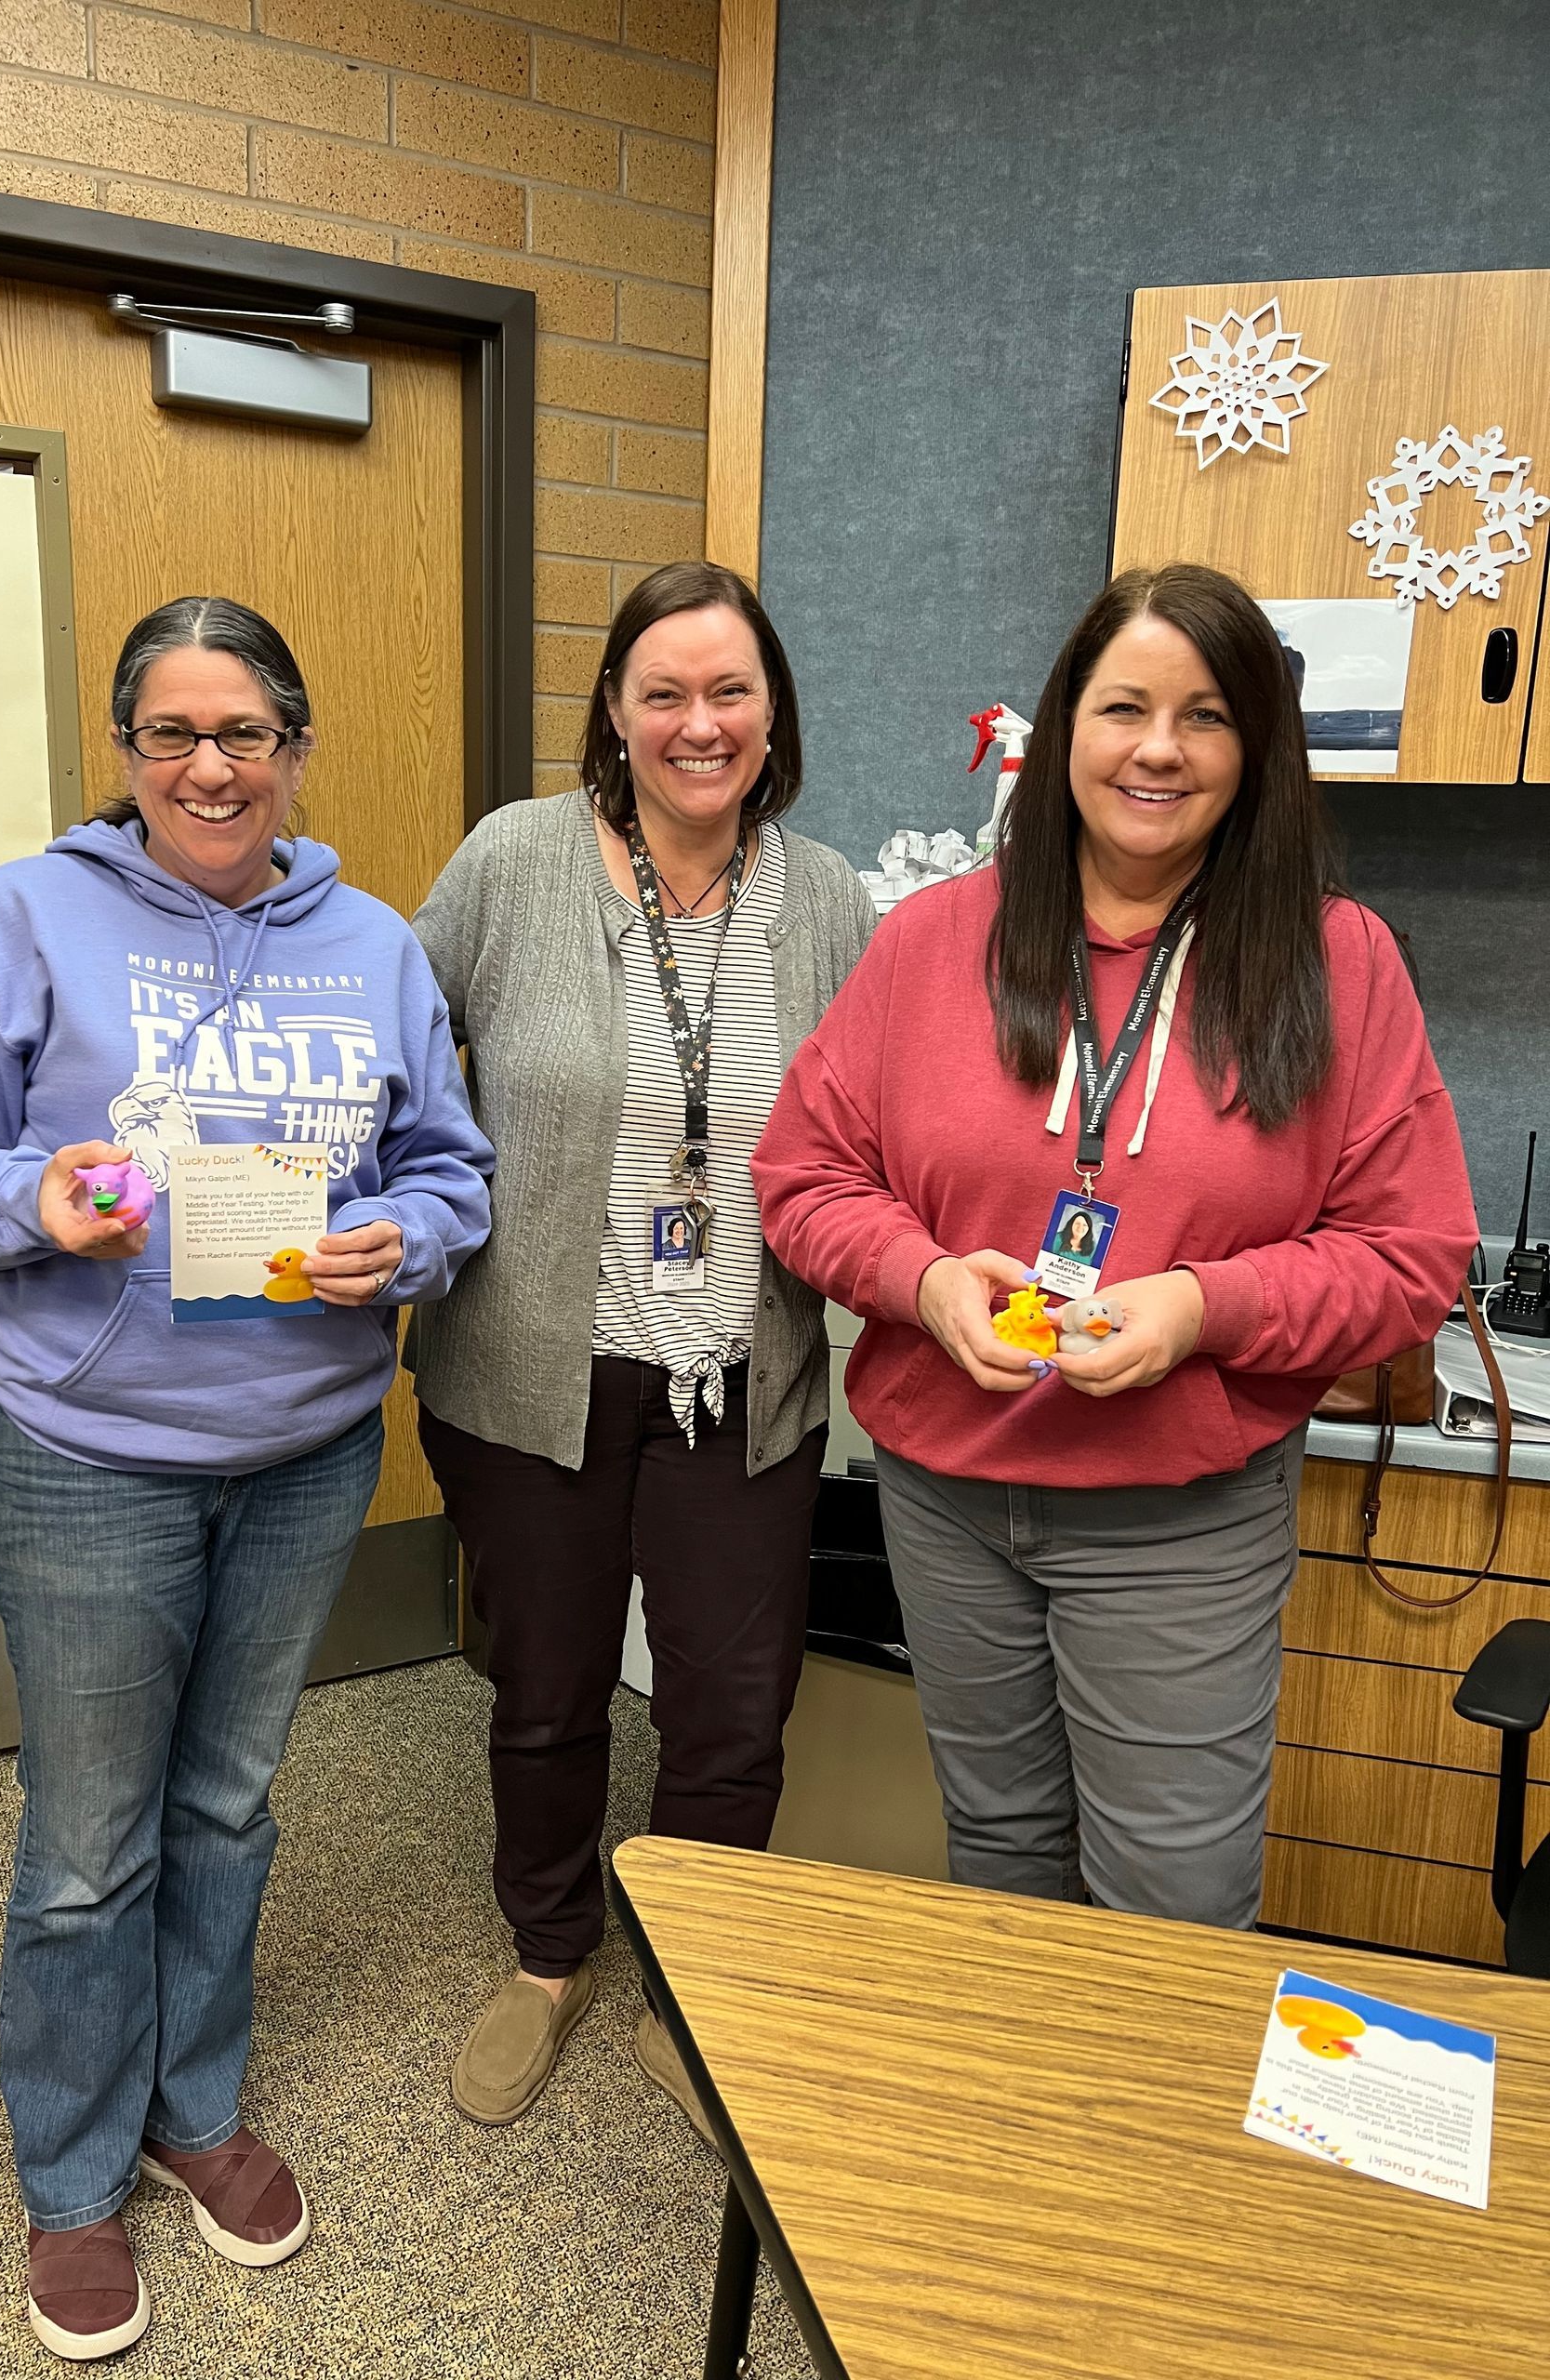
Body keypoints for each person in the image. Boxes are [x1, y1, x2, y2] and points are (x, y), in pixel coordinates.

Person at [0, 598, 493, 2361]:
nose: (211, 767)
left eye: (246, 735)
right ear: (129, 756)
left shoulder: (370, 943)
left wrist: (404, 1241)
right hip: (86, 1458)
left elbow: (451, 1167)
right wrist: (26, 1204)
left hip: (304, 1454)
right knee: (84, 1846)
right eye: (172, 736)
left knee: (226, 1807)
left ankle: (191, 2106)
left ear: (294, 749)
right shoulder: (30, 916)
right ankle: (72, 2177)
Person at [752, 563, 1476, 1934]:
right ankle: (1031, 2137)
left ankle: (1149, 2143)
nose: (1158, 747)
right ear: (1065, 725)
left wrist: (1205, 1308)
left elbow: (1410, 1252)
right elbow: (804, 1176)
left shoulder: (1336, 961)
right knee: (1003, 1858)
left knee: (1173, 1897)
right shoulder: (931, 944)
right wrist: (921, 1276)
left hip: (1179, 1519)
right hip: (951, 1496)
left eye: (1204, 715)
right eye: (1124, 706)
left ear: (1255, 745)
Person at [408, 560, 874, 2133]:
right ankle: (550, 1955)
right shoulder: (512, 864)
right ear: (613, 707)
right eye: (662, 691)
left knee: (734, 1705)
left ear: (771, 712)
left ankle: (695, 1979)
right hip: (537, 1370)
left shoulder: (825, 902)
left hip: (744, 1375)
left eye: (729, 690)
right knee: (543, 1690)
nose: (698, 722)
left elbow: (871, 1131)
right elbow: (390, 1060)